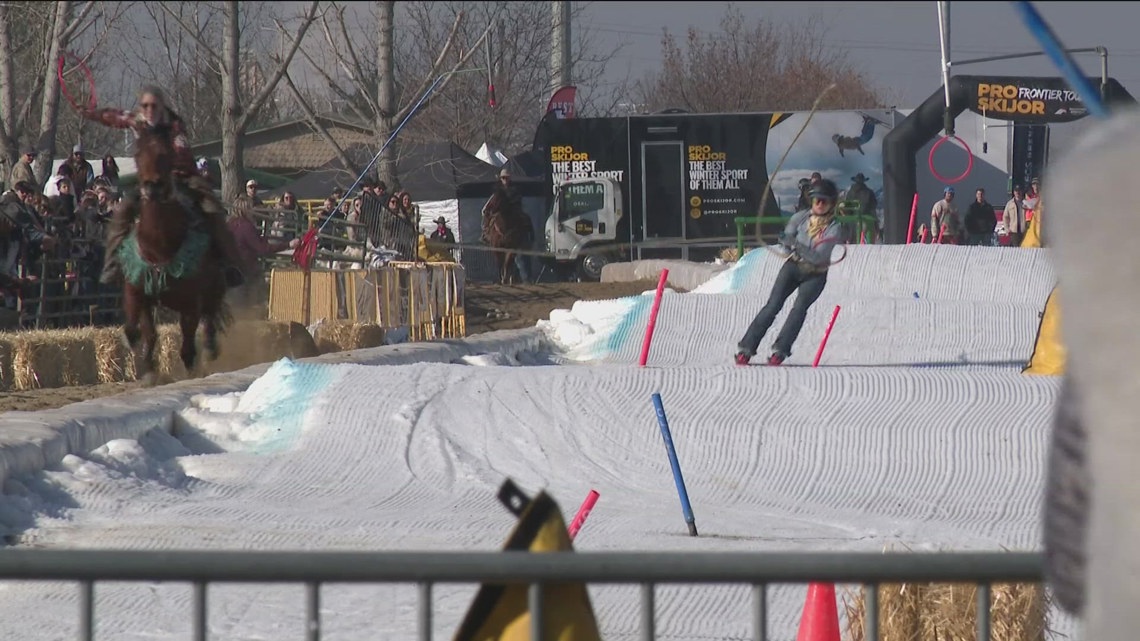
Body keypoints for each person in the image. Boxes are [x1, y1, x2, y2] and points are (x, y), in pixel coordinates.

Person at [82, 85, 243, 287]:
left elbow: (181, 152)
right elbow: (114, 116)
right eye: (145, 105)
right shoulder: (137, 121)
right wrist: (91, 113)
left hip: (181, 176)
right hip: (147, 181)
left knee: (211, 207)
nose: (149, 110)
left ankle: (226, 262)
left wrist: (167, 167)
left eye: (153, 105)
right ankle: (113, 264)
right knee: (122, 211)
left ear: (161, 106)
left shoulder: (173, 125)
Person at [735, 179, 847, 366]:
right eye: (816, 199)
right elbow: (786, 245)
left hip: (815, 274)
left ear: (832, 203)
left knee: (798, 310)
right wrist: (786, 244)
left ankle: (780, 350)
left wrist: (794, 243)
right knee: (772, 306)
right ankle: (746, 348)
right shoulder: (800, 218)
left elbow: (818, 257)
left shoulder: (834, 228)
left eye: (824, 200)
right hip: (792, 267)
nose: (819, 204)